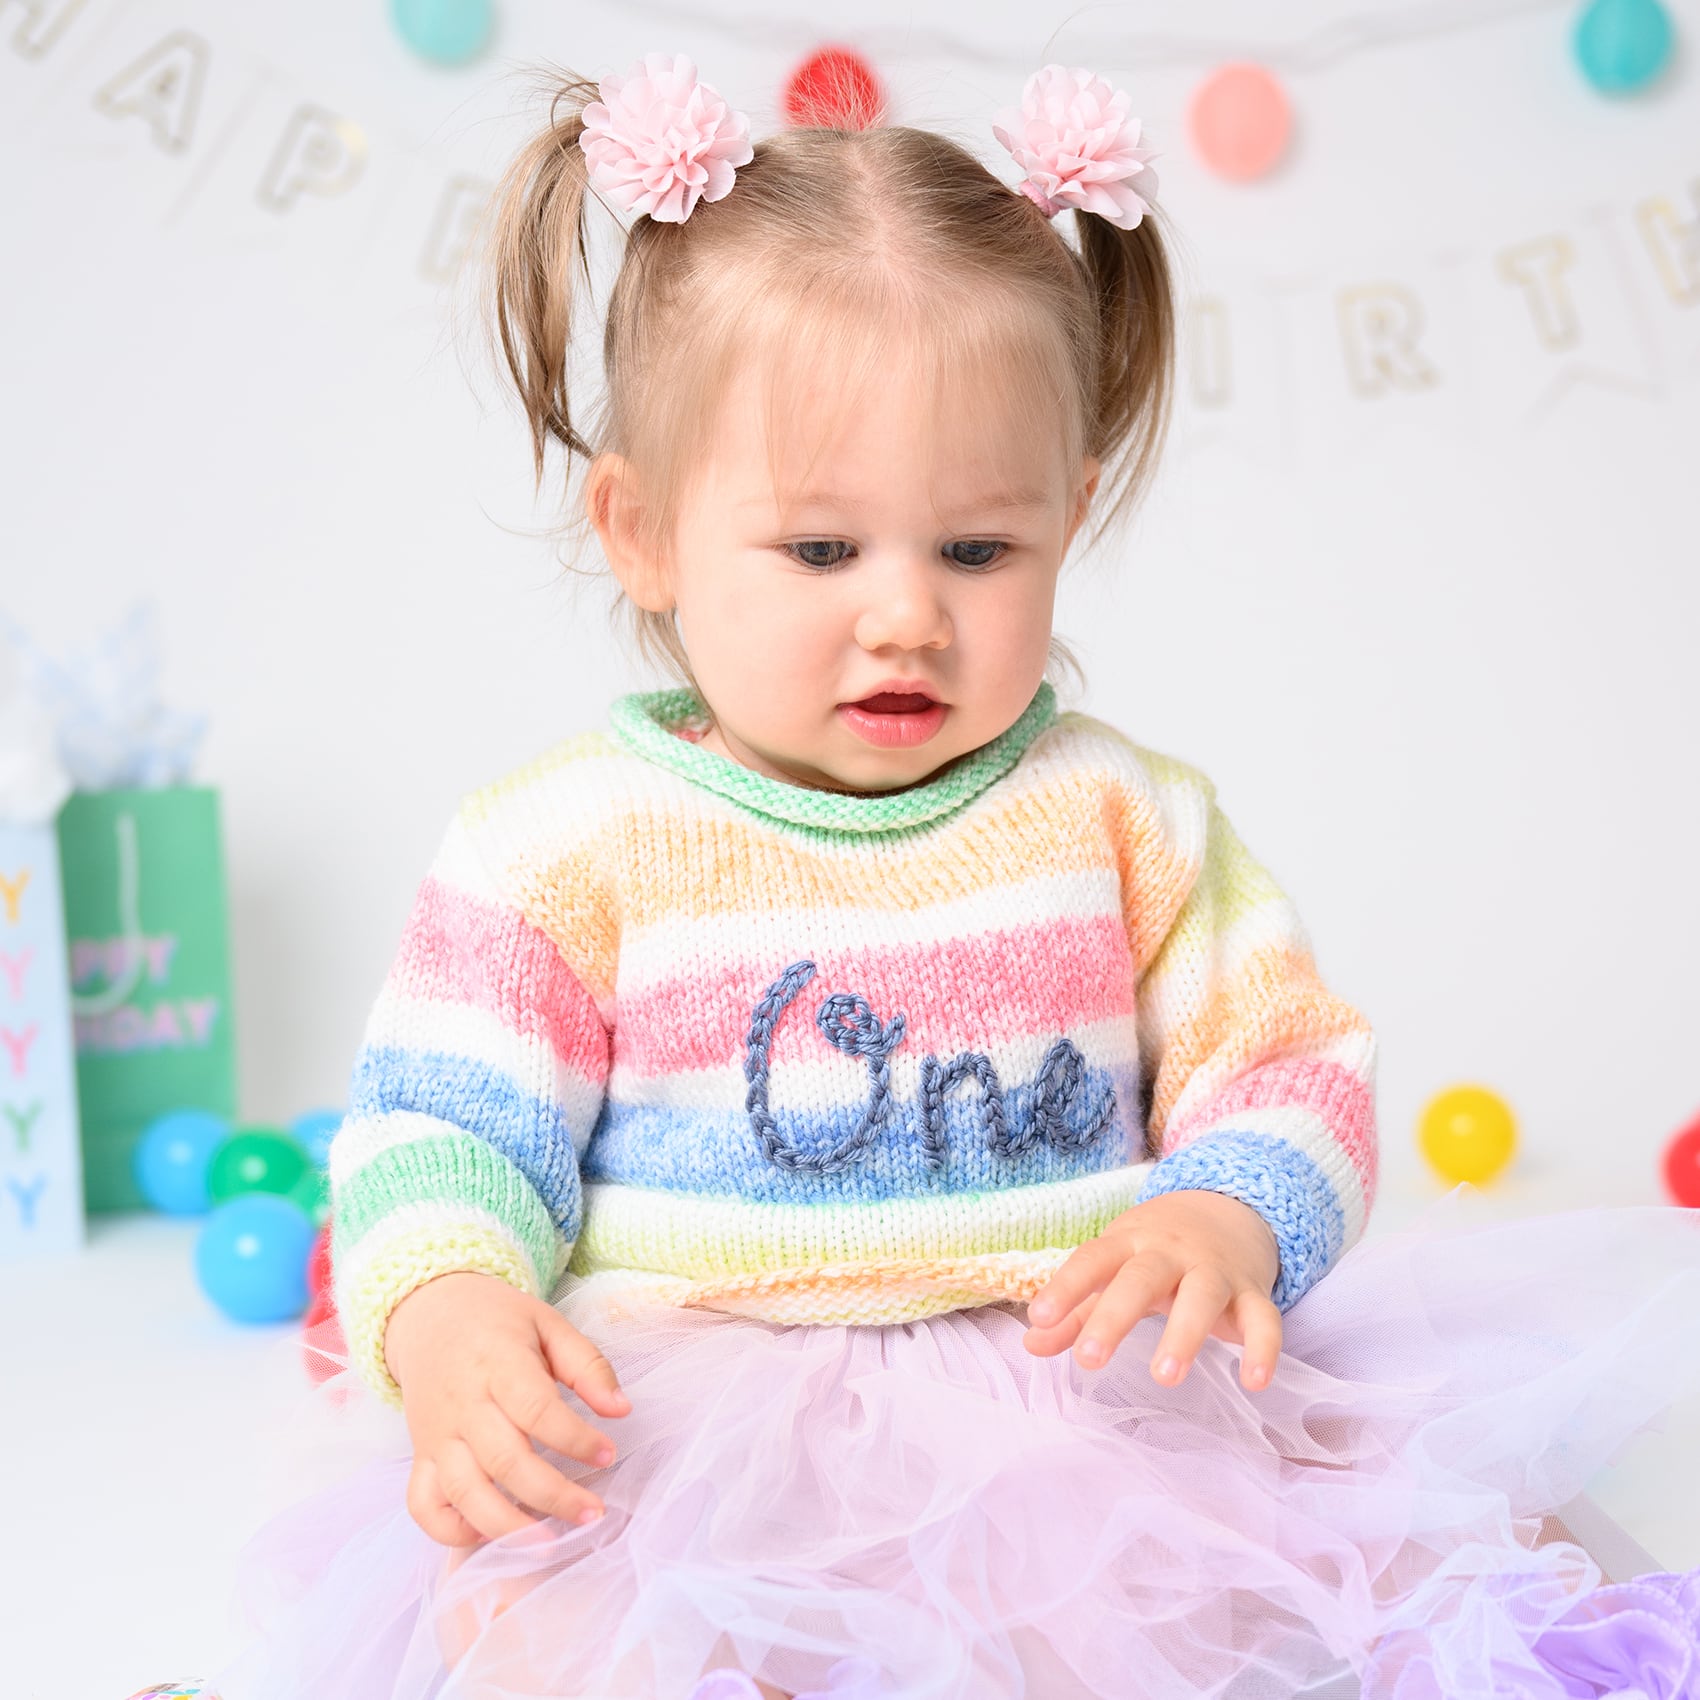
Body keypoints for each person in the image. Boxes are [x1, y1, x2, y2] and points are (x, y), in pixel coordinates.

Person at [189, 53, 1700, 1700]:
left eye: (979, 550)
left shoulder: (1118, 817)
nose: (907, 614)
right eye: (821, 550)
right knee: (550, 1634)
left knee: (1429, 1568)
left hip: (1092, 1418)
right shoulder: (564, 845)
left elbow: (1285, 1062)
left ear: (1072, 510)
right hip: (704, 1435)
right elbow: (445, 1126)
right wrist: (451, 1306)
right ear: (643, 530)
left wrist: (1226, 1211)